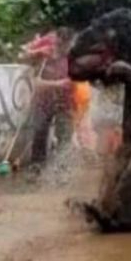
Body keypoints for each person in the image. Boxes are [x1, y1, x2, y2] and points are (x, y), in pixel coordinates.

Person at [20, 28, 76, 165]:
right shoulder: (46, 52)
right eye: (58, 43)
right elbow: (21, 57)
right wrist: (36, 52)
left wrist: (45, 84)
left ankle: (62, 170)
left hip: (65, 103)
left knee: (64, 138)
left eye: (64, 45)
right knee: (39, 134)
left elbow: (69, 83)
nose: (59, 48)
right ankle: (37, 167)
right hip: (43, 103)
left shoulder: (74, 58)